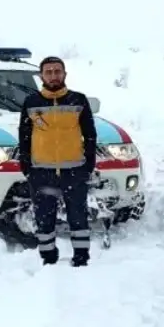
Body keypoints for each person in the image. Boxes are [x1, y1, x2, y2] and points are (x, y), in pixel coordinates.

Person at [17, 56, 97, 267]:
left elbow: (90, 135)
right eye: (49, 72)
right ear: (41, 75)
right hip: (42, 172)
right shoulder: (31, 102)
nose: (53, 75)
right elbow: (24, 136)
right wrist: (26, 166)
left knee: (78, 217)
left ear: (64, 74)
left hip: (74, 170)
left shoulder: (78, 100)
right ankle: (48, 259)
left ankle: (81, 258)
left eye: (57, 71)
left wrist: (89, 165)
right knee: (44, 219)